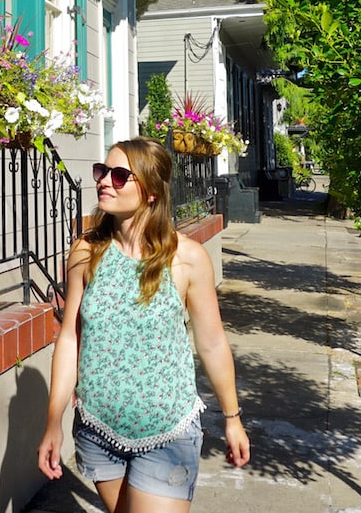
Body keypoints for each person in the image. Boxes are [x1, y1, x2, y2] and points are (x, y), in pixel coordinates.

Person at [37, 137, 250, 512]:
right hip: (97, 429)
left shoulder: (187, 258)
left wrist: (232, 418)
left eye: (119, 176)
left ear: (151, 191)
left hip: (168, 432)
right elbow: (70, 338)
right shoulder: (86, 251)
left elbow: (213, 344)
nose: (104, 181)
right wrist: (53, 422)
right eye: (102, 172)